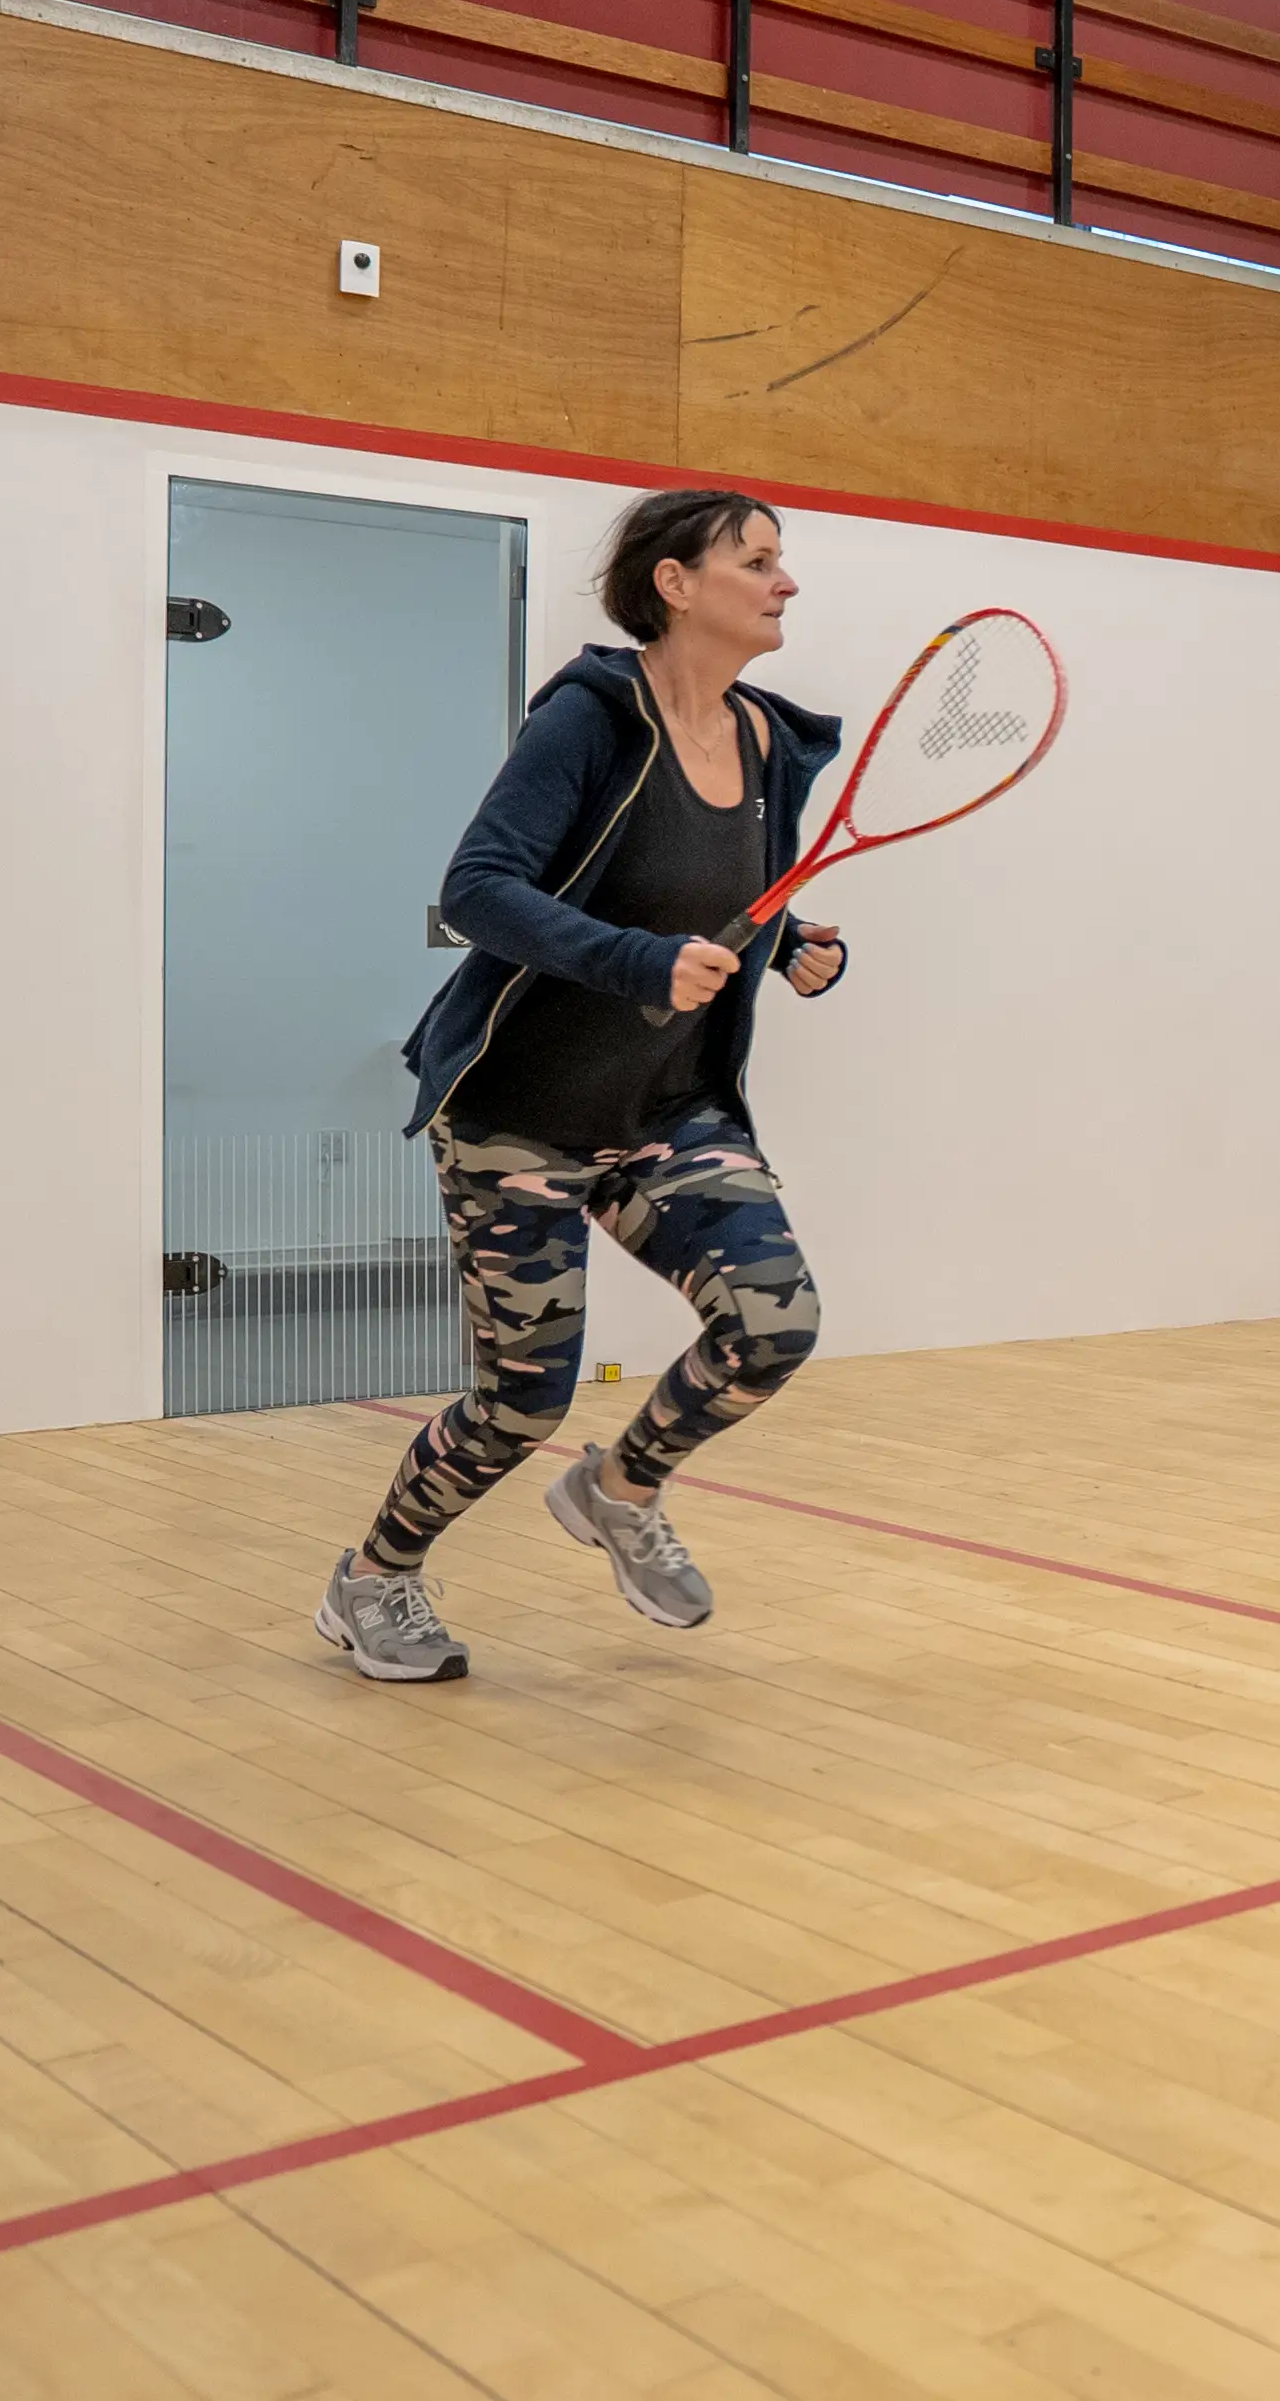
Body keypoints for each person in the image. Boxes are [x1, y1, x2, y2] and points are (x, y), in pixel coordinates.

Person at [316, 489, 850, 1683]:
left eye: (783, 560)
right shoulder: (593, 720)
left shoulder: (766, 738)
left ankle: (621, 1488)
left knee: (773, 1324)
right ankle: (372, 1581)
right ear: (676, 582)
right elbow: (479, 889)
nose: (786, 581)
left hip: (665, 1113)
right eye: (758, 560)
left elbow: (716, 904)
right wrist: (640, 962)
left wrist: (795, 940)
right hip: (520, 1118)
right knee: (520, 1401)